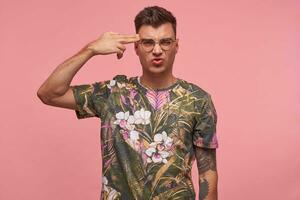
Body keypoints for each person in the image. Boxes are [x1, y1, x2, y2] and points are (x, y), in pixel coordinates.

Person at [37, 5, 219, 200]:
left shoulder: (197, 99)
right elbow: (49, 93)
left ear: (176, 45)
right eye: (148, 42)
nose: (157, 50)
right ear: (136, 47)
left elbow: (207, 172)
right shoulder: (113, 93)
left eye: (165, 42)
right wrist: (90, 50)